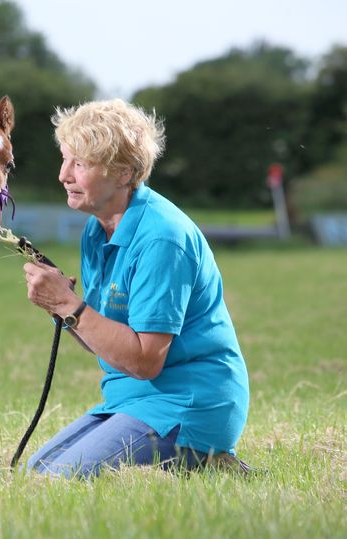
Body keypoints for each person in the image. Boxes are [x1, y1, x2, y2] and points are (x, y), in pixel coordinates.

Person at [22, 99, 249, 479]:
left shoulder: (162, 238)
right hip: (133, 400)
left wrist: (70, 305)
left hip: (186, 404)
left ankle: (205, 456)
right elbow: (107, 339)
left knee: (59, 480)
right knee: (37, 469)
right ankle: (204, 464)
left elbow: (144, 360)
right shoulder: (97, 230)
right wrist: (64, 308)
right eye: (64, 159)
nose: (64, 175)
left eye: (80, 163)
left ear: (124, 172)